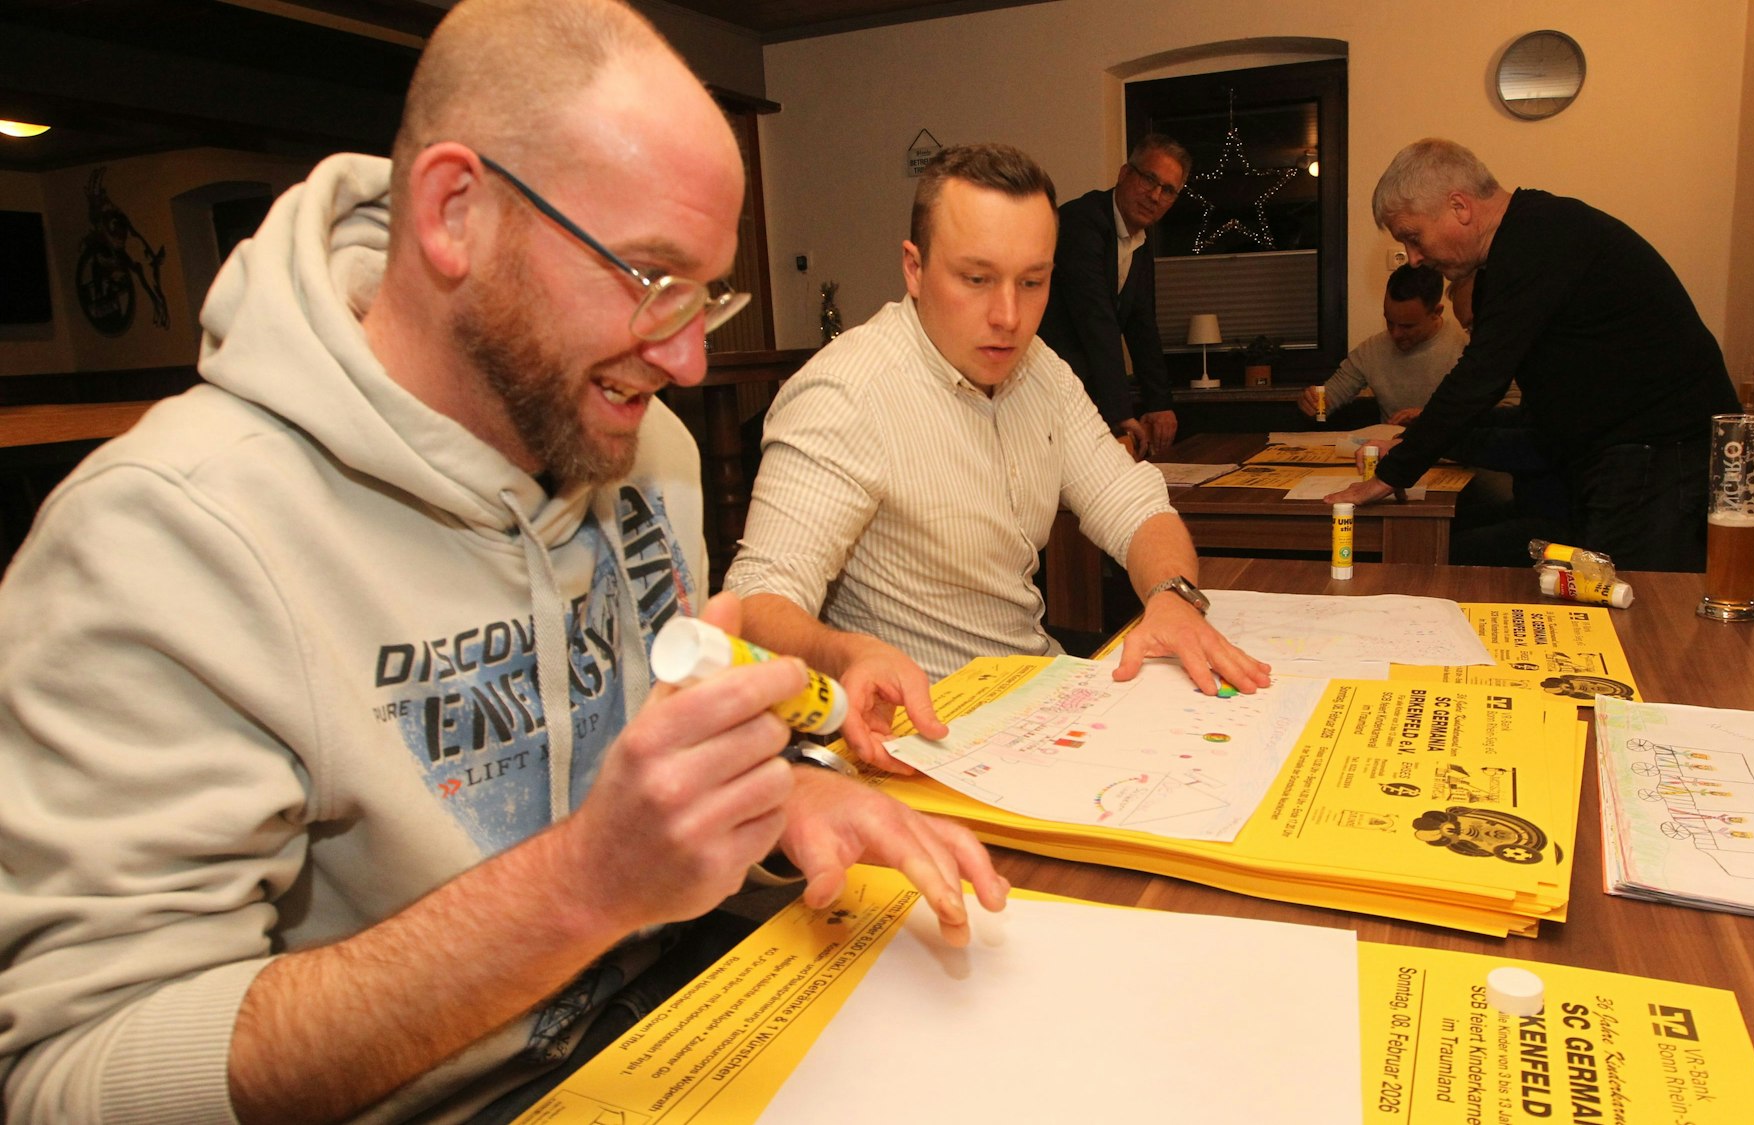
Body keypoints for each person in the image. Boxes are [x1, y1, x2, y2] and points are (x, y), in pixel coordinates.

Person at [0, 3, 1006, 1122]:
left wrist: (779, 806)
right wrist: (579, 889)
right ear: (453, 212)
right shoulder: (160, 540)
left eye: (705, 291)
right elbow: (70, 1082)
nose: (685, 358)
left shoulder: (645, 448)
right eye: (648, 277)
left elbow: (660, 726)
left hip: (707, 1031)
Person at [726, 143, 1271, 773]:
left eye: (1033, 282)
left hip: (1034, 698)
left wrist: (1173, 596)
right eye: (976, 279)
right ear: (914, 267)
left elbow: (1135, 509)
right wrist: (846, 653)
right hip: (923, 734)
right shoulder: (847, 393)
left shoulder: (1041, 371)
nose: (1009, 318)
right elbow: (755, 599)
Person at [1326, 138, 1739, 572]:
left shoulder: (1538, 237)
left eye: (1413, 237)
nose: (1413, 258)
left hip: (1661, 451)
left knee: (1640, 611)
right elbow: (1535, 406)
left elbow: (1480, 377)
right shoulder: (1518, 245)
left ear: (1459, 207)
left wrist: (1391, 475)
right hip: (1625, 452)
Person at [1038, 135, 1191, 458]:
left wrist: (1159, 404)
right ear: (1124, 174)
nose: (1154, 196)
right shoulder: (1081, 221)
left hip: (1089, 388)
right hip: (1048, 389)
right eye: (1149, 179)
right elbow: (1097, 320)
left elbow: (1142, 324)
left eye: (1167, 190)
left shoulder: (1140, 240)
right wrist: (1122, 412)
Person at [1292, 263, 1493, 427]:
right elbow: (1329, 397)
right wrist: (1310, 402)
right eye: (1389, 321)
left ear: (1436, 312)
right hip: (1393, 460)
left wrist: (1433, 417)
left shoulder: (1467, 345)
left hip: (1456, 464)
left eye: (1407, 326)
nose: (1395, 334)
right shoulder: (1371, 351)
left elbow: (1506, 408)